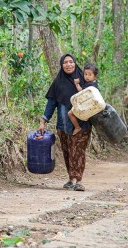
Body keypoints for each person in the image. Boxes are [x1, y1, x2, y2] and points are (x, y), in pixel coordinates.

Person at [38, 54, 92, 191]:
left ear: (75, 63)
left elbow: (94, 97)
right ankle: (70, 179)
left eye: (71, 62)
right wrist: (43, 121)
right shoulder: (58, 83)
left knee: (78, 151)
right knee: (67, 151)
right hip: (63, 124)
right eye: (65, 62)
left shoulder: (83, 79)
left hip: (83, 124)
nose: (68, 65)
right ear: (62, 65)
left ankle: (78, 180)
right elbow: (51, 104)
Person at [68, 63, 99, 135]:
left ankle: (77, 127)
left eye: (90, 75)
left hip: (87, 106)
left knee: (70, 114)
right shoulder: (94, 83)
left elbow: (81, 91)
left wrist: (76, 84)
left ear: (95, 76)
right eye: (85, 74)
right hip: (88, 105)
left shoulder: (91, 85)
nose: (87, 77)